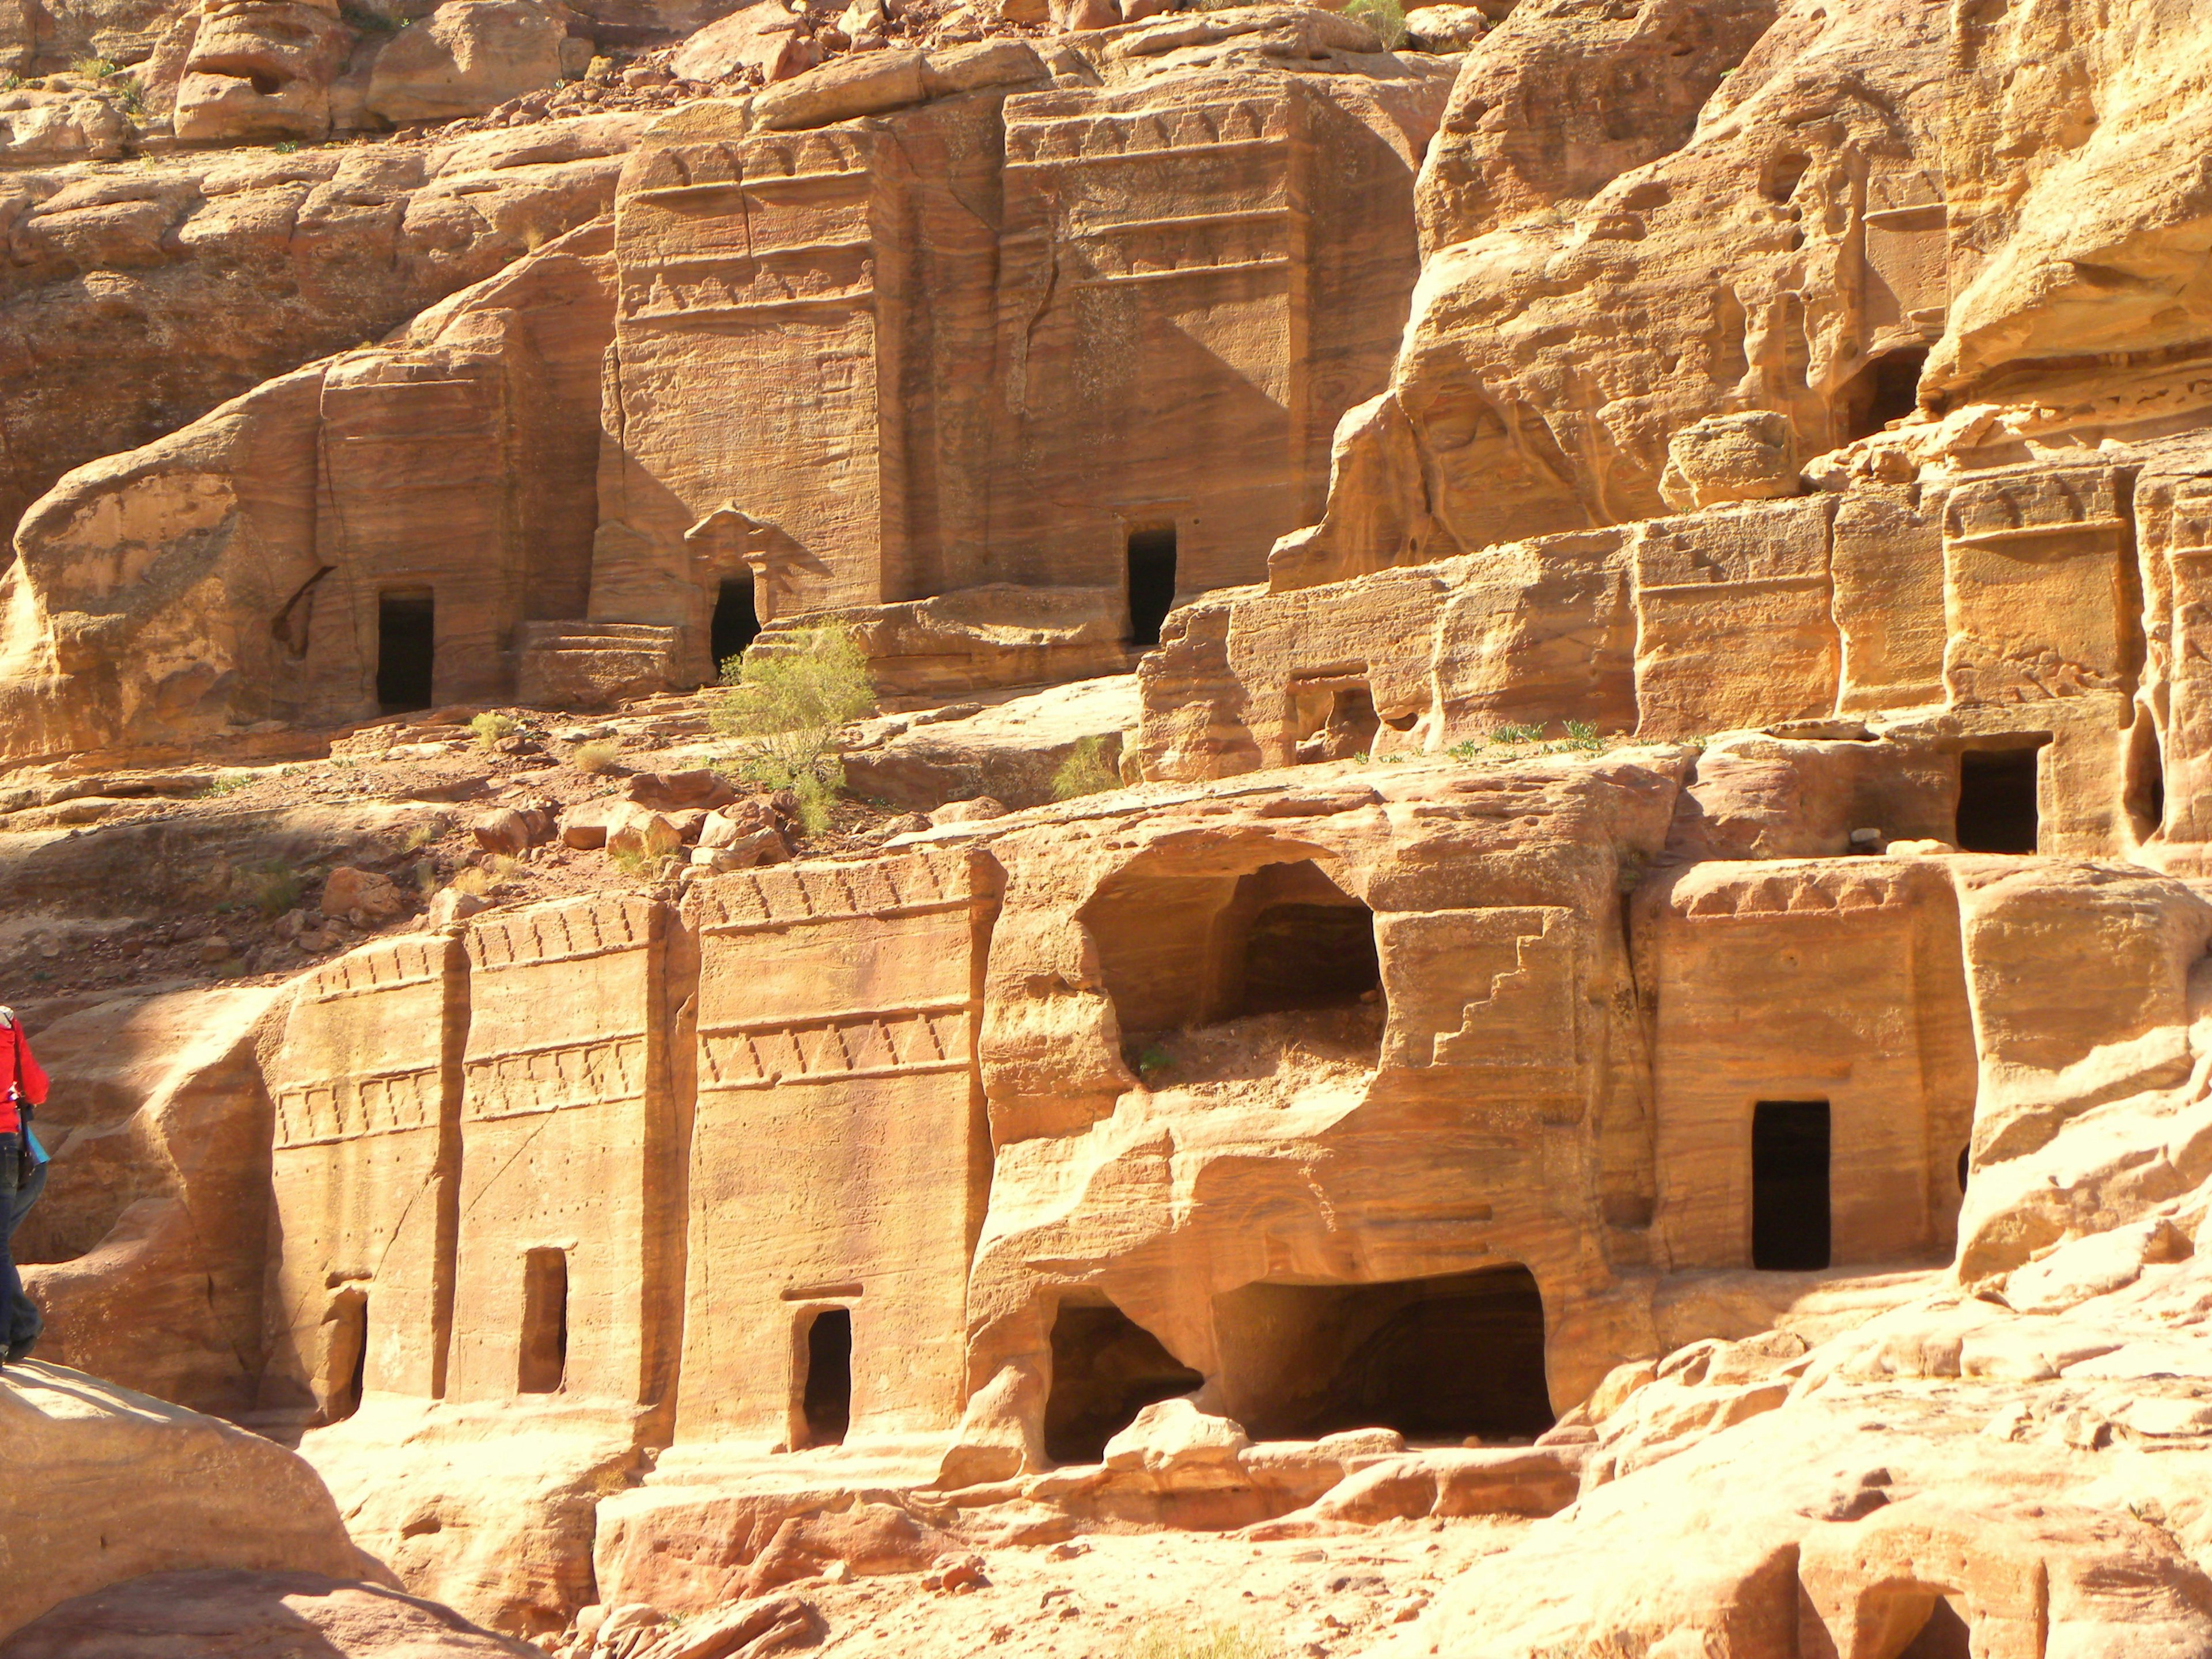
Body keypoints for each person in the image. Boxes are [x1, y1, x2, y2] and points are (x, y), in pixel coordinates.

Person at [0, 1005, 50, 1367]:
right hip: (12, 1149)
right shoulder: (5, 1020)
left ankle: (12, 1333)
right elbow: (35, 1088)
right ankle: (21, 1328)